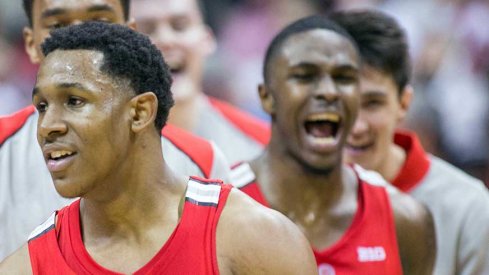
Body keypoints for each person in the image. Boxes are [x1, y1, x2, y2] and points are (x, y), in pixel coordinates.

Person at [0, 21, 317, 274]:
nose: (46, 126)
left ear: (139, 113)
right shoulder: (26, 266)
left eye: (74, 101)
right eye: (42, 106)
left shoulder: (254, 238)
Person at [0, 0, 231, 261]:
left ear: (131, 32)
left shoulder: (201, 159)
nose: (81, 39)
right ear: (30, 43)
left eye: (100, 23)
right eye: (58, 25)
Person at [230, 15, 436, 274]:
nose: (329, 91)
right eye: (305, 76)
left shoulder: (405, 220)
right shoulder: (218, 212)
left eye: (344, 77)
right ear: (267, 97)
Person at [333, 9, 489, 274]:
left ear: (404, 103)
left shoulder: (469, 209)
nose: (356, 126)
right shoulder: (282, 200)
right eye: (340, 103)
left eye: (373, 104)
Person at [132, 0, 270, 165]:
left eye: (180, 26)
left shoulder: (262, 145)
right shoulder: (106, 148)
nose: (166, 40)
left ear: (207, 40)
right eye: (148, 29)